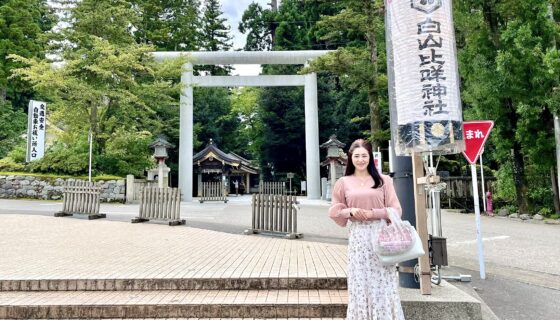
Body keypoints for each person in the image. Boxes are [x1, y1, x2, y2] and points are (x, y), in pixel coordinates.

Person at [329, 138, 405, 320]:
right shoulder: (343, 182)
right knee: (360, 279)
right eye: (357, 156)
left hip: (382, 235)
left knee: (383, 279)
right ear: (350, 158)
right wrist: (351, 211)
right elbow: (334, 210)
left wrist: (372, 213)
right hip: (358, 237)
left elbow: (396, 210)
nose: (361, 159)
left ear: (370, 157)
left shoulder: (383, 180)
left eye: (364, 155)